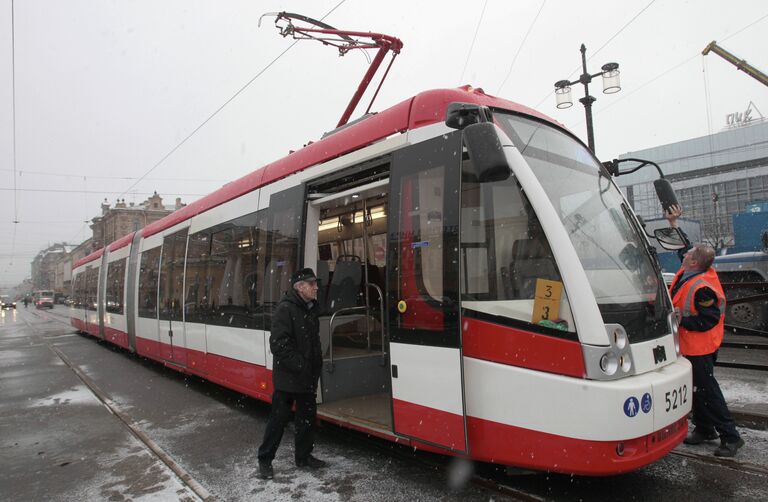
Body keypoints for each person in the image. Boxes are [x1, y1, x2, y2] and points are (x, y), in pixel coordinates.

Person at [665, 204, 744, 457]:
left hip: (700, 347)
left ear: (695, 262)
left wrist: (681, 321)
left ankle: (731, 437)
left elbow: (708, 320)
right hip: (691, 346)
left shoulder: (703, 287)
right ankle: (705, 428)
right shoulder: (692, 270)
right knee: (697, 389)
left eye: (689, 255)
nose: (684, 256)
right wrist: (673, 224)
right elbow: (683, 247)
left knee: (708, 391)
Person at [257, 268, 326, 479]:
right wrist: (300, 365)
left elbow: (312, 342)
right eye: (312, 284)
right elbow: (278, 344)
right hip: (289, 378)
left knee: (306, 419)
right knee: (278, 420)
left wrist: (313, 366)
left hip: (306, 376)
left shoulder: (310, 308)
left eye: (316, 283)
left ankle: (304, 456)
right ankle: (265, 460)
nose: (316, 287)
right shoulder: (285, 309)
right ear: (300, 287)